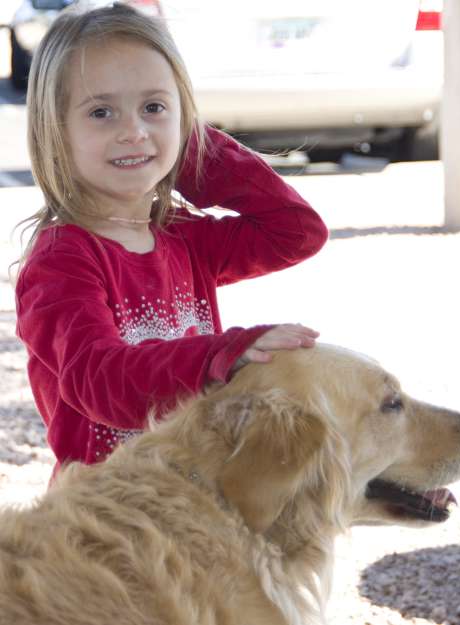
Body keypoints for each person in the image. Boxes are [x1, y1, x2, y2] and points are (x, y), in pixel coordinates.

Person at [14, 2, 328, 477]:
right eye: (101, 112)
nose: (133, 131)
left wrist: (185, 150)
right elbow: (100, 381)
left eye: (154, 107)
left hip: (191, 493)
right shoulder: (61, 260)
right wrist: (223, 354)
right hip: (107, 505)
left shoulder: (183, 239)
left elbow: (296, 231)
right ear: (54, 130)